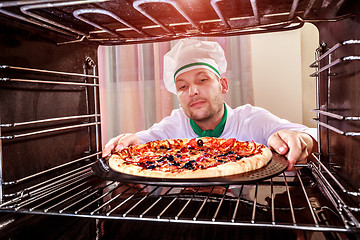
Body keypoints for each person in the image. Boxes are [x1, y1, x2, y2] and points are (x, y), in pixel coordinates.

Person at [102, 38, 317, 171]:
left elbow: (314, 135)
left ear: (223, 84)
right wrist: (128, 141)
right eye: (182, 87)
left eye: (202, 79)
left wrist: (302, 139)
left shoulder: (253, 119)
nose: (192, 91)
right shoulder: (174, 125)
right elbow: (144, 140)